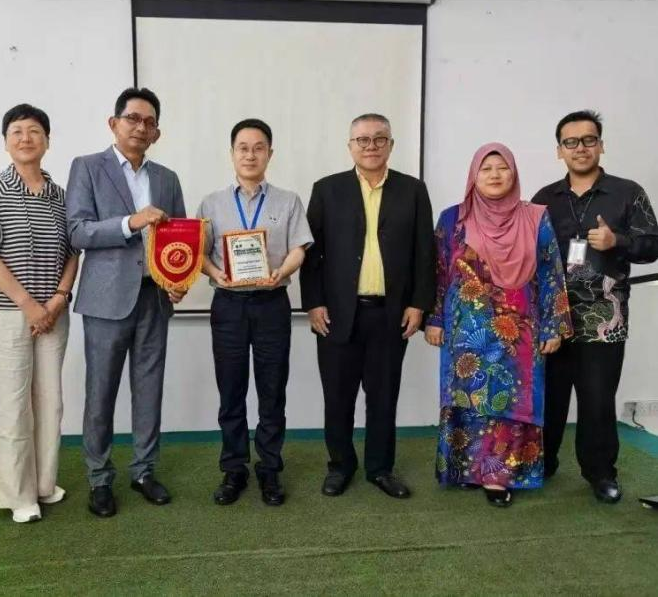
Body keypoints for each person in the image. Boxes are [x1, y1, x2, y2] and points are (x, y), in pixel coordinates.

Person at [425, 143, 572, 507]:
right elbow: (439, 273)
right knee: (468, 398)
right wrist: (435, 318)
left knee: (512, 399)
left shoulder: (536, 217)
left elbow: (551, 273)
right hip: (465, 331)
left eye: (502, 167)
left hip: (519, 330)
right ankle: (466, 469)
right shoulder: (452, 219)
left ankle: (499, 475)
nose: (494, 175)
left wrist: (553, 326)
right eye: (486, 168)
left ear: (514, 173)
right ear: (473, 175)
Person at [65, 87, 186, 517]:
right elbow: (78, 231)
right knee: (101, 393)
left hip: (155, 298)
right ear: (113, 123)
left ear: (157, 133)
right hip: (106, 301)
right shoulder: (87, 167)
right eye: (132, 118)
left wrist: (179, 281)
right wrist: (131, 222)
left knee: (149, 390)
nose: (140, 127)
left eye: (149, 122)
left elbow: (179, 240)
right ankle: (99, 478)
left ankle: (143, 471)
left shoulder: (167, 178)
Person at [301, 113, 435, 499]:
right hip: (338, 315)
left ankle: (380, 468)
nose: (371, 146)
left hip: (391, 314)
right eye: (362, 140)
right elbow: (312, 254)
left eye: (379, 139)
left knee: (383, 398)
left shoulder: (412, 190)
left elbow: (424, 252)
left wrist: (419, 304)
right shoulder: (327, 190)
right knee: (337, 398)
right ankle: (340, 466)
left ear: (391, 145)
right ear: (350, 146)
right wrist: (314, 303)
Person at [533, 110, 658, 503]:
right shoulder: (543, 199)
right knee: (549, 396)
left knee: (597, 399)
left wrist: (617, 240)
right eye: (571, 142)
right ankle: (542, 463)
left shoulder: (627, 192)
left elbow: (653, 245)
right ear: (559, 150)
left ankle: (600, 473)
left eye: (589, 140)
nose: (580, 148)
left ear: (601, 145)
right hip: (552, 317)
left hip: (605, 318)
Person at [0, 104, 79, 523]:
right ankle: (19, 496)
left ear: (47, 141)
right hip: (7, 314)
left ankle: (43, 485)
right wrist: (30, 306)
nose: (26, 138)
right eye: (16, 131)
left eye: (34, 131)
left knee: (50, 404)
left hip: (53, 314)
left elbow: (73, 251)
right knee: (13, 407)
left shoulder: (61, 196)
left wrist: (58, 299)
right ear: (5, 142)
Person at [196, 119, 313, 506]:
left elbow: (299, 247)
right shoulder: (211, 203)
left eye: (258, 148)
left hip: (271, 304)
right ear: (232, 154)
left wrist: (283, 270)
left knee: (272, 391)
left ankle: (270, 469)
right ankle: (233, 469)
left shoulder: (288, 201)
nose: (250, 155)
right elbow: (199, 254)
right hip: (228, 306)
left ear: (269, 154)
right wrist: (216, 274)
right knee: (231, 391)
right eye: (243, 148)